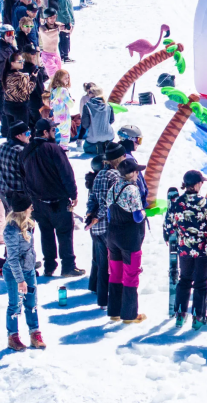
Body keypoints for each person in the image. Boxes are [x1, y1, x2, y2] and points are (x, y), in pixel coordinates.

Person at [21, 119, 80, 277]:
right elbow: (66, 173)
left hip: (38, 202)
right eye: (53, 130)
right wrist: (73, 194)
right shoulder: (53, 149)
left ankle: (49, 266)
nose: (55, 133)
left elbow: (23, 176)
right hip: (58, 201)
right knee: (64, 233)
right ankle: (68, 266)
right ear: (45, 132)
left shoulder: (27, 150)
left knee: (46, 233)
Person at [164, 170, 207, 330]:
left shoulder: (177, 204)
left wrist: (171, 237)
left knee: (184, 279)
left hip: (185, 249)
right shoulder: (206, 204)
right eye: (201, 182)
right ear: (196, 184)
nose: (202, 184)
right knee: (201, 283)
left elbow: (169, 226)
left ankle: (180, 315)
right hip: (205, 249)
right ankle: (198, 316)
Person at [84, 145, 127, 312]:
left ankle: (102, 299)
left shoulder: (100, 174)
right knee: (113, 264)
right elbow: (109, 202)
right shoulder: (115, 176)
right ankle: (113, 299)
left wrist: (90, 214)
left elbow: (93, 198)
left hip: (97, 230)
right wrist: (97, 217)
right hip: (108, 226)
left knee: (101, 263)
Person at [106, 158, 148, 323]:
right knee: (131, 274)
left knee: (115, 273)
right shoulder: (132, 189)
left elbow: (109, 215)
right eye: (136, 171)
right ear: (131, 173)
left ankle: (114, 311)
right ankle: (130, 314)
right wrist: (146, 213)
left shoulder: (113, 188)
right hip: (129, 237)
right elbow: (137, 217)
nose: (138, 174)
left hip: (112, 235)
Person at [4, 191, 45, 351]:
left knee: (32, 303)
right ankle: (13, 336)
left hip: (28, 270)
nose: (32, 208)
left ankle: (35, 333)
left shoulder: (28, 224)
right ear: (23, 209)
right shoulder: (11, 230)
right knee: (15, 305)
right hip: (15, 273)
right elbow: (12, 258)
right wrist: (20, 280)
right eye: (30, 206)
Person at [0, 122, 29, 206]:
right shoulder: (21, 151)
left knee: (10, 216)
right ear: (18, 136)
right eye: (27, 133)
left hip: (4, 192)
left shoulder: (2, 146)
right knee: (23, 218)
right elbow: (27, 174)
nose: (30, 135)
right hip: (19, 193)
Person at [3, 51, 32, 130]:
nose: (22, 63)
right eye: (20, 61)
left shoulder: (5, 74)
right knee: (21, 131)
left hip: (7, 106)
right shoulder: (21, 76)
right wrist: (33, 80)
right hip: (19, 107)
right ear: (12, 63)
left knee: (12, 132)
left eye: (23, 61)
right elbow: (28, 91)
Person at [48, 70, 74, 150]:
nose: (67, 79)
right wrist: (72, 100)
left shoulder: (53, 89)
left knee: (55, 136)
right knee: (65, 138)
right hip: (64, 117)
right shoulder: (63, 90)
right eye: (65, 78)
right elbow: (70, 104)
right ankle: (63, 155)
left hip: (56, 117)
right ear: (59, 78)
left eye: (68, 77)